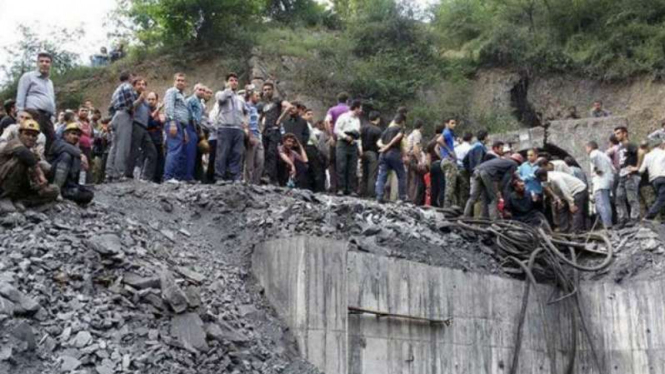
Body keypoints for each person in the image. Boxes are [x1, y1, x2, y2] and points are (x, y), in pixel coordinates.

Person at [0, 120, 59, 207]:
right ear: (20, 134)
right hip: (4, 183)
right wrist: (39, 173)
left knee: (55, 189)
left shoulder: (33, 150)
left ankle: (23, 201)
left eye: (34, 135)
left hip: (23, 184)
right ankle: (5, 197)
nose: (30, 137)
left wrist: (40, 184)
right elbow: (23, 153)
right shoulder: (13, 143)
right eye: (27, 134)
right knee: (19, 161)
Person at [16, 52, 56, 155]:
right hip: (34, 115)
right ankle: (31, 166)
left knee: (51, 142)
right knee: (34, 141)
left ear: (50, 64)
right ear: (37, 63)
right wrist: (20, 115)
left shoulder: (50, 82)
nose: (44, 63)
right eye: (41, 61)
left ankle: (44, 167)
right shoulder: (28, 76)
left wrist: (53, 117)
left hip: (48, 117)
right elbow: (21, 96)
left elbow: (51, 99)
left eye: (47, 61)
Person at [464, 153, 523, 220]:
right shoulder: (513, 164)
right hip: (487, 174)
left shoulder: (502, 160)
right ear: (518, 163)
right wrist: (500, 191)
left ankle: (467, 217)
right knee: (494, 198)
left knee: (476, 197)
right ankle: (494, 221)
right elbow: (506, 179)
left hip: (477, 171)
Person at [49, 123, 94, 204]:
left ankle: (65, 193)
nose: (76, 137)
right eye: (73, 133)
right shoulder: (58, 143)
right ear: (65, 135)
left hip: (69, 184)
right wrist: (81, 155)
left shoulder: (77, 151)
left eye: (78, 135)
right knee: (66, 156)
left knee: (88, 194)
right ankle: (56, 190)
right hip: (52, 179)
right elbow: (65, 147)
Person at [214, 73, 247, 182]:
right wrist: (229, 90)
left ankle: (234, 177)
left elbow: (245, 112)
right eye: (231, 80)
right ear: (226, 82)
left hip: (238, 129)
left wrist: (244, 124)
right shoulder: (220, 94)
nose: (234, 82)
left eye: (236, 81)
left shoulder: (240, 98)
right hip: (225, 127)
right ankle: (219, 177)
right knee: (223, 153)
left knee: (237, 153)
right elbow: (221, 99)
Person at [106, 71, 136, 181]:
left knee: (114, 145)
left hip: (116, 116)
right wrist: (133, 112)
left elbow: (111, 107)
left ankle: (109, 172)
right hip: (124, 115)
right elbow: (131, 103)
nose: (133, 78)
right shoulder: (128, 87)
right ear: (129, 77)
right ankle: (119, 174)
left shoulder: (116, 90)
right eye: (132, 76)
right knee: (123, 146)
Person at [537, 169, 588, 233]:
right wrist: (558, 199)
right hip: (564, 194)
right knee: (562, 208)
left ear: (543, 176)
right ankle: (564, 230)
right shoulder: (544, 180)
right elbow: (549, 189)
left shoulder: (555, 178)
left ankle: (575, 233)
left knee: (575, 211)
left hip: (577, 189)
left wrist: (571, 204)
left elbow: (565, 190)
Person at [259, 82, 290, 184]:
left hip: (274, 130)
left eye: (269, 89)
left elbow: (288, 106)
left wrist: (280, 119)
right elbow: (261, 117)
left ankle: (272, 178)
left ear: (272, 90)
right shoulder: (263, 104)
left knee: (272, 153)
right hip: (265, 131)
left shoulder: (277, 101)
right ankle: (268, 176)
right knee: (266, 154)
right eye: (265, 90)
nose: (267, 91)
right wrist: (260, 126)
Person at [128, 77, 158, 182]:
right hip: (136, 125)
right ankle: (128, 175)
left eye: (143, 84)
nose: (141, 86)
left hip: (144, 128)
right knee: (134, 151)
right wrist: (139, 100)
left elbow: (149, 116)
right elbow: (129, 108)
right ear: (134, 86)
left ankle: (146, 178)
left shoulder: (145, 101)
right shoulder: (132, 95)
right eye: (139, 84)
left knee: (152, 152)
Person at [163, 73, 190, 182]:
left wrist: (184, 131)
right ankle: (168, 177)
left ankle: (175, 177)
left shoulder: (183, 95)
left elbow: (183, 113)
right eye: (178, 80)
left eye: (182, 80)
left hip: (181, 126)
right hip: (174, 123)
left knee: (179, 152)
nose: (180, 82)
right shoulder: (172, 92)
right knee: (174, 150)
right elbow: (169, 107)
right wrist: (172, 122)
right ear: (174, 81)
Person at [375, 113, 407, 203]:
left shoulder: (387, 130)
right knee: (401, 175)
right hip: (394, 153)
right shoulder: (401, 129)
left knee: (382, 175)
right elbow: (398, 137)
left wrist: (383, 147)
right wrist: (388, 146)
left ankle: (379, 195)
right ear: (403, 122)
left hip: (383, 154)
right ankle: (402, 197)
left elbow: (378, 141)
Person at [613, 126, 640, 227]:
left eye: (618, 133)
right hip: (622, 175)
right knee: (619, 197)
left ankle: (634, 218)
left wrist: (636, 167)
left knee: (632, 197)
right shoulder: (620, 147)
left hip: (631, 175)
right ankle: (623, 219)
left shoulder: (630, 144)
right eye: (615, 134)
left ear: (625, 133)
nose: (617, 135)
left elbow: (641, 153)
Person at [334, 99, 362, 196]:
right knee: (341, 165)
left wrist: (359, 146)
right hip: (343, 142)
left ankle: (351, 189)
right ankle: (341, 188)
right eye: (360, 108)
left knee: (352, 167)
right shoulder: (343, 117)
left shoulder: (357, 120)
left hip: (353, 143)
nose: (361, 111)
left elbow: (358, 133)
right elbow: (336, 129)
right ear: (356, 108)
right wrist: (346, 137)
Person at [324, 92, 350, 192]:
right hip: (346, 140)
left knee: (333, 162)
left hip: (334, 138)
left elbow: (327, 121)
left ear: (337, 100)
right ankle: (344, 188)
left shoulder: (332, 110)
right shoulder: (349, 110)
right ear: (347, 100)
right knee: (345, 163)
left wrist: (330, 135)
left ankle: (334, 187)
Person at [586, 141, 615, 229]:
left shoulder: (594, 153)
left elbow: (594, 159)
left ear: (590, 147)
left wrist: (597, 169)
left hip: (600, 182)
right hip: (607, 181)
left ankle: (607, 224)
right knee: (606, 203)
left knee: (602, 204)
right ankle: (608, 223)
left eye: (586, 148)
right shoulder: (605, 155)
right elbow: (613, 169)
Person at [636, 140, 665, 220]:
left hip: (654, 180)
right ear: (661, 145)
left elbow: (641, 170)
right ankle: (650, 216)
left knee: (661, 198)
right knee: (662, 199)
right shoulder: (663, 153)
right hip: (663, 177)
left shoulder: (647, 156)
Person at [184, 84, 206, 182]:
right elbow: (190, 115)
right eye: (199, 89)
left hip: (196, 128)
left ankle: (191, 175)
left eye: (203, 90)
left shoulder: (200, 103)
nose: (201, 91)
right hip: (190, 126)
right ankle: (187, 176)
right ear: (194, 90)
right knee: (190, 152)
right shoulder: (190, 100)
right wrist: (197, 127)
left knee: (194, 153)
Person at [360, 111, 382, 197]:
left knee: (364, 173)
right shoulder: (377, 130)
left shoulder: (363, 127)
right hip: (373, 154)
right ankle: (371, 193)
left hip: (363, 152)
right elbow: (378, 144)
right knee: (372, 174)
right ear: (377, 119)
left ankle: (362, 191)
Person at [302, 108, 325, 192]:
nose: (310, 116)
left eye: (311, 114)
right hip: (308, 146)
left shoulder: (309, 125)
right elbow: (312, 137)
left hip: (312, 147)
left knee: (315, 168)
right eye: (308, 114)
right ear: (304, 115)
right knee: (314, 168)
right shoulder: (304, 124)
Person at [244, 89, 264, 185]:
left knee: (260, 161)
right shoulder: (247, 105)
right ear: (251, 96)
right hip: (251, 136)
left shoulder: (255, 108)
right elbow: (246, 122)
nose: (258, 98)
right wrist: (250, 136)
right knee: (249, 162)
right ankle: (248, 183)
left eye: (259, 96)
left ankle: (255, 183)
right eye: (256, 95)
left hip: (258, 136)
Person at [437, 118, 458, 208]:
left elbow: (437, 147)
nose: (454, 125)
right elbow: (439, 141)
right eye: (452, 123)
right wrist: (449, 151)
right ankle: (447, 207)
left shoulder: (449, 134)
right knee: (450, 186)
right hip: (449, 162)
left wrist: (442, 156)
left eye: (455, 123)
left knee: (451, 185)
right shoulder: (446, 132)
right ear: (446, 124)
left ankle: (451, 206)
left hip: (446, 160)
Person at [146, 92, 165, 183]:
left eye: (153, 99)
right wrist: (158, 121)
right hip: (149, 137)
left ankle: (157, 178)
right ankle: (148, 177)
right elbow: (148, 123)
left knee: (160, 158)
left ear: (156, 100)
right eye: (149, 99)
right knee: (151, 156)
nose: (150, 101)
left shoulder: (157, 112)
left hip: (158, 137)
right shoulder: (145, 110)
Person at [454, 131, 473, 208]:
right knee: (465, 189)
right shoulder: (470, 148)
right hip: (464, 170)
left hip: (455, 168)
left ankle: (456, 206)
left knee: (457, 189)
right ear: (471, 139)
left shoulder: (457, 148)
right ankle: (463, 207)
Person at [77, 106, 94, 183]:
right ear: (78, 112)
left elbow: (91, 135)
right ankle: (80, 183)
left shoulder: (89, 124)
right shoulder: (76, 123)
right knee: (80, 165)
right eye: (82, 110)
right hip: (79, 147)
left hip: (88, 147)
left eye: (86, 111)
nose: (84, 112)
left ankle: (88, 183)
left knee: (88, 165)